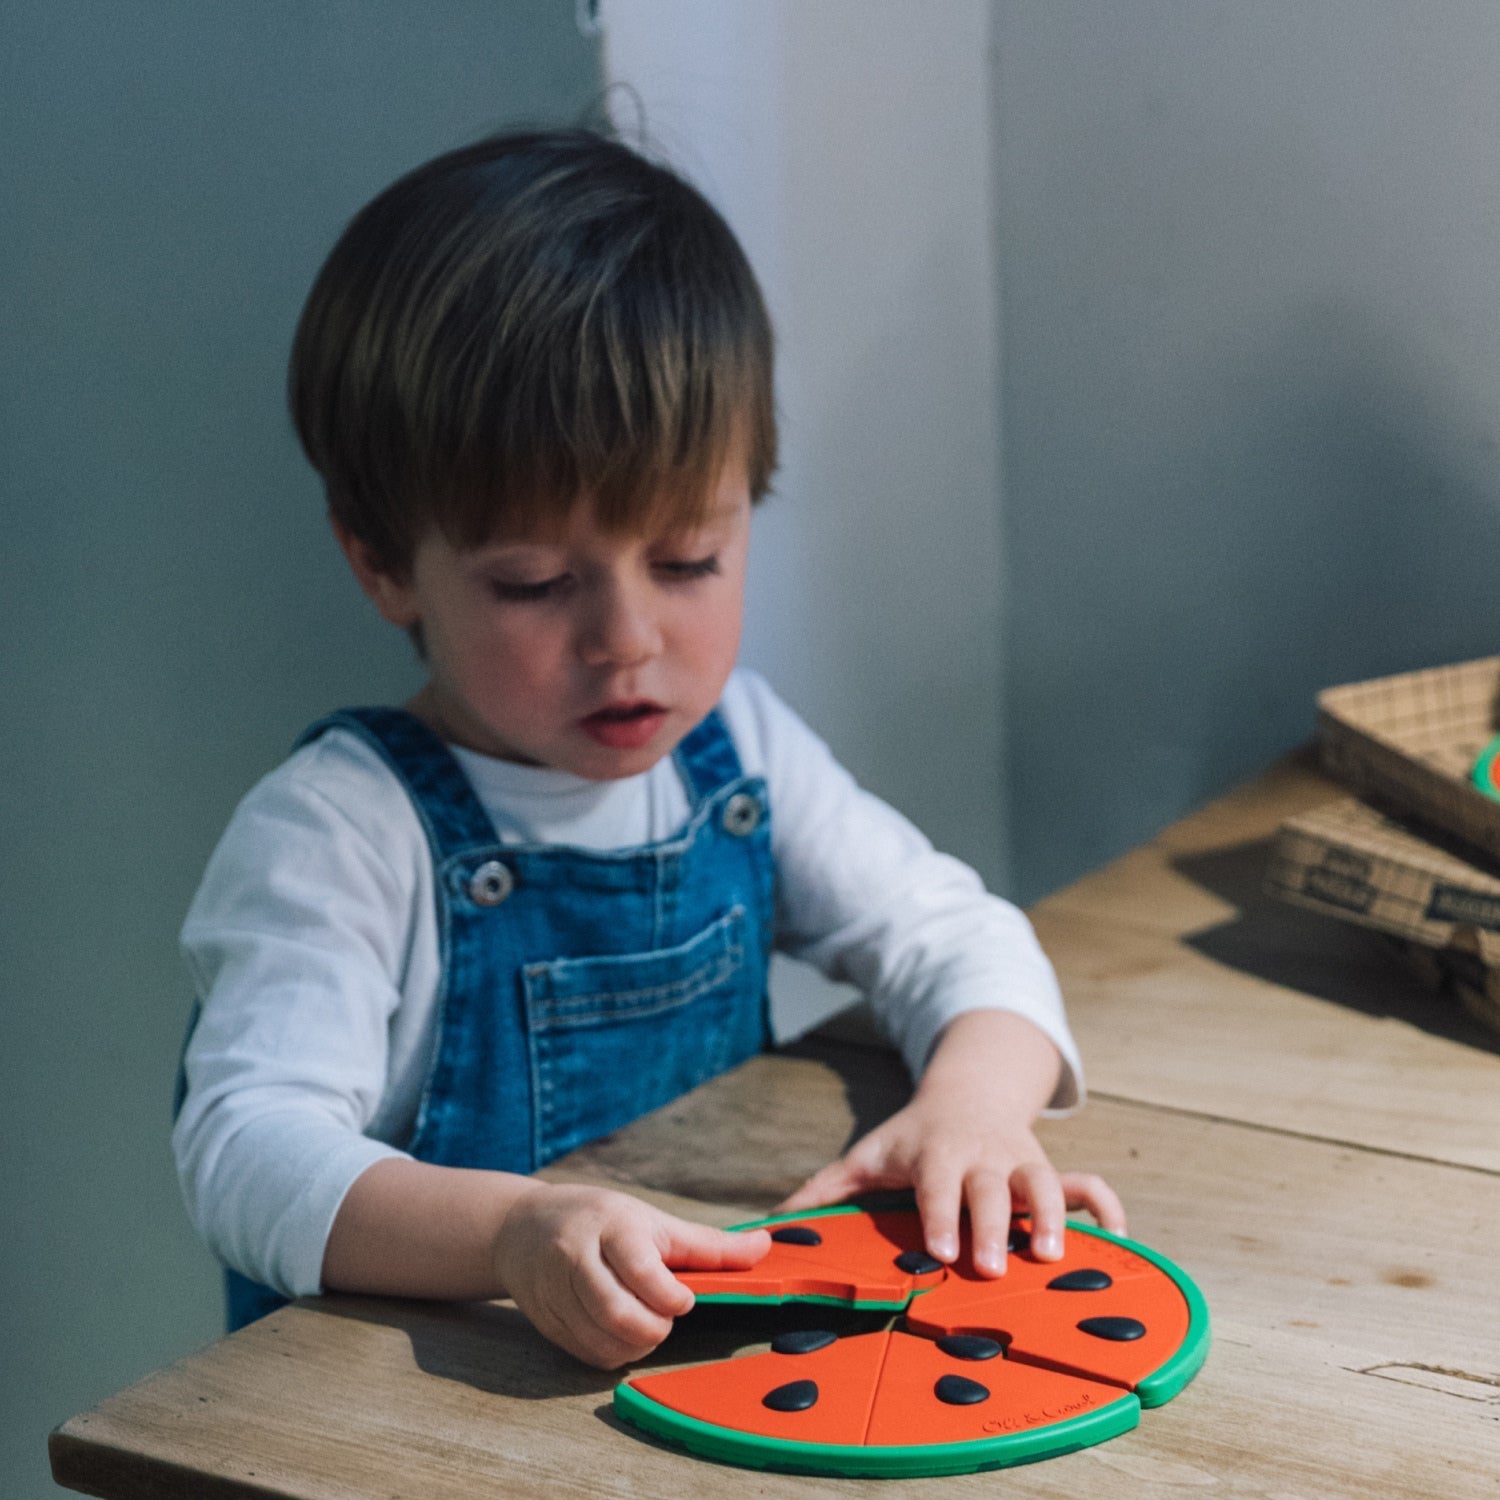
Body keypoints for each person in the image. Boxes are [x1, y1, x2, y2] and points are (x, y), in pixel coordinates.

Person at [172, 128, 1124, 1370]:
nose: (627, 639)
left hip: (693, 1368)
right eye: (533, 581)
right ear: (384, 563)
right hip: (416, 1409)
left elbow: (957, 935)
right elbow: (245, 1150)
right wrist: (510, 1232)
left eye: (688, 561)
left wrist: (974, 1110)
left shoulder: (739, 755)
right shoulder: (340, 832)